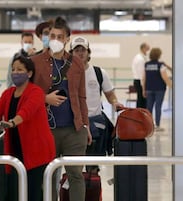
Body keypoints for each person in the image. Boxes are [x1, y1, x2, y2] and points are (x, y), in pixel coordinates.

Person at [30, 16, 92, 201]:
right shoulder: (34, 62)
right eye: (52, 35)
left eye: (59, 36)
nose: (55, 39)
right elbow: (25, 96)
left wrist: (85, 125)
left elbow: (81, 97)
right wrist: (45, 98)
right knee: (48, 175)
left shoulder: (77, 63)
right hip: (45, 130)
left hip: (74, 129)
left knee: (75, 175)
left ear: (67, 39)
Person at [0, 55, 56, 201]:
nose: (15, 72)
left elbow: (26, 112)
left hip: (36, 152)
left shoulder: (36, 92)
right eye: (13, 69)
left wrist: (12, 122)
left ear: (29, 73)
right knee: (15, 192)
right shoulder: (8, 94)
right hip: (16, 151)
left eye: (20, 69)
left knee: (32, 193)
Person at [70, 36, 123, 172]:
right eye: (77, 50)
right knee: (74, 168)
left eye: (83, 50)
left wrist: (115, 103)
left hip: (96, 125)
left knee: (93, 167)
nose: (80, 53)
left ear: (89, 53)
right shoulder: (66, 73)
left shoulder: (99, 73)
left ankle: (93, 190)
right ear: (71, 53)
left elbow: (110, 94)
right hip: (73, 125)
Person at [142, 47, 172, 132]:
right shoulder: (160, 65)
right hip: (159, 89)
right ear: (159, 55)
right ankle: (157, 125)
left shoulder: (146, 64)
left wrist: (143, 89)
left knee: (149, 108)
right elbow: (165, 77)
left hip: (148, 89)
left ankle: (149, 126)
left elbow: (144, 78)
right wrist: (172, 86)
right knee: (158, 107)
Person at [131, 42, 150, 108]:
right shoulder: (140, 59)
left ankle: (141, 114)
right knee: (141, 100)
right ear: (143, 48)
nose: (148, 50)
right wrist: (143, 85)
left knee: (142, 100)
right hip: (140, 81)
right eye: (147, 48)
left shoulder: (142, 57)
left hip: (140, 80)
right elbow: (141, 73)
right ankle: (140, 115)